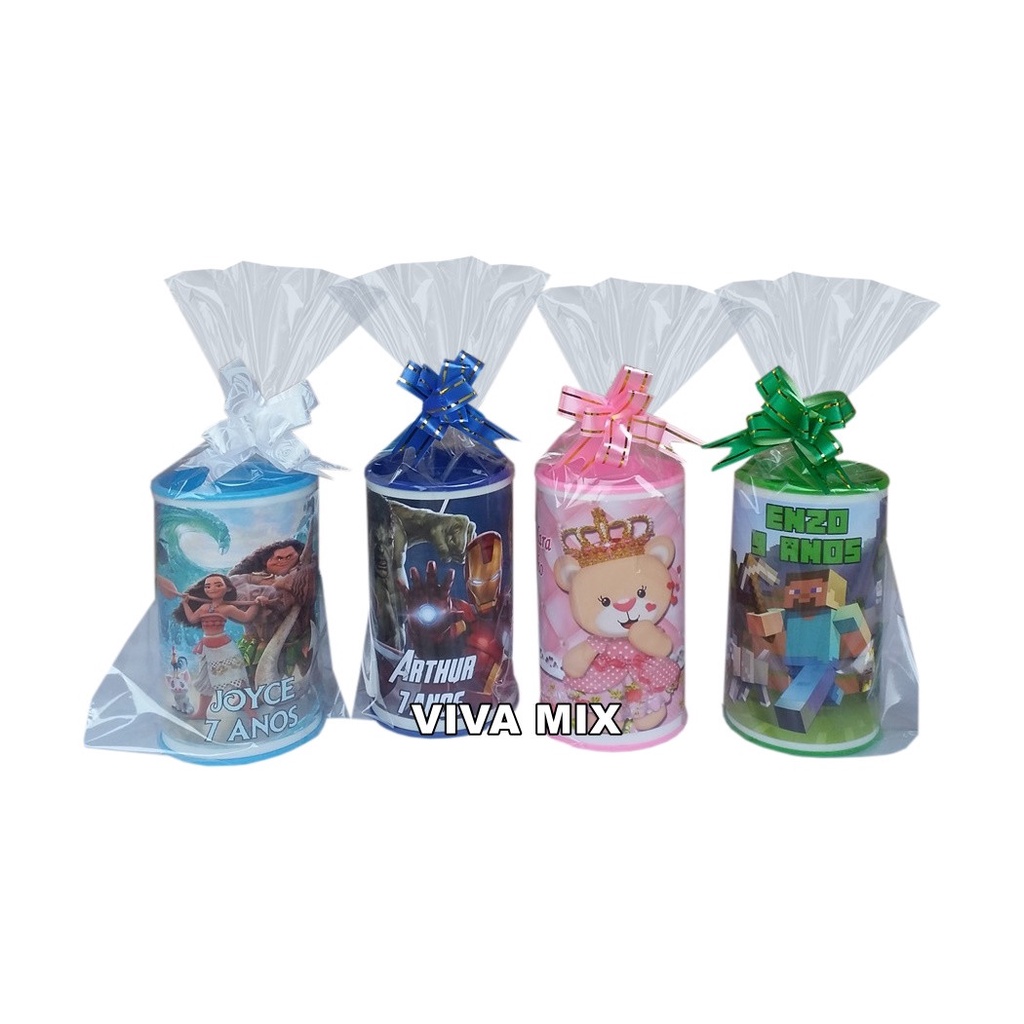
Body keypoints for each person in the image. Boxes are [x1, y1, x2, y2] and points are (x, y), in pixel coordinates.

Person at [175, 574, 265, 719]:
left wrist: (256, 603)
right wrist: (185, 603)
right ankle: (202, 712)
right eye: (208, 586)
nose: (212, 589)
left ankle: (251, 713)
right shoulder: (204, 607)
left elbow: (246, 617)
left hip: (225, 649)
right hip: (207, 650)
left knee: (239, 681)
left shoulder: (228, 608)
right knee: (206, 682)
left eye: (218, 585)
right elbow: (192, 619)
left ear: (227, 588)